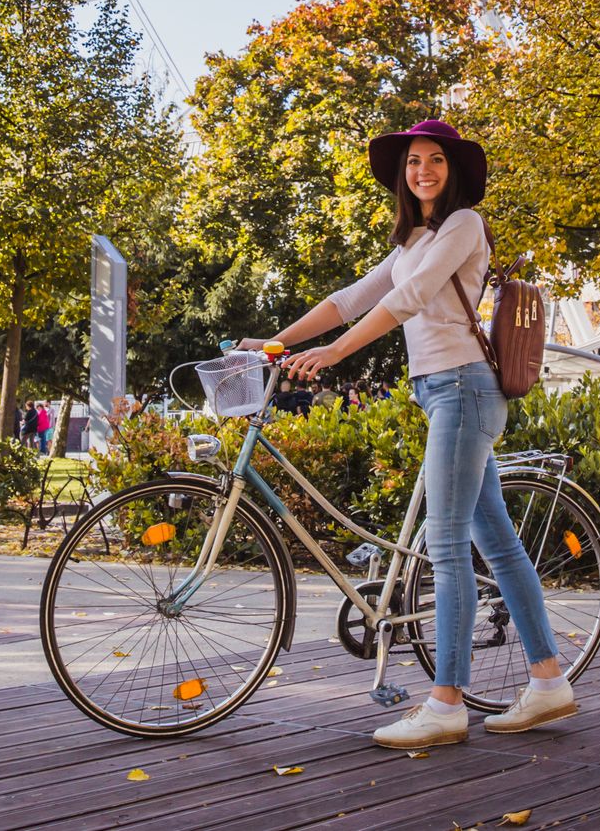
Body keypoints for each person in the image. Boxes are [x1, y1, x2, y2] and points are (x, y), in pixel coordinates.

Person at [246, 118, 569, 751]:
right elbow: (350, 298)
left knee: (446, 549)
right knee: (498, 548)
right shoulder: (413, 240)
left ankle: (446, 703)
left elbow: (413, 298)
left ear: (454, 172)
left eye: (435, 161)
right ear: (404, 174)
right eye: (414, 162)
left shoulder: (463, 226)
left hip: (463, 389)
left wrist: (335, 354)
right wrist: (282, 341)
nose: (423, 170)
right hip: (443, 394)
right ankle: (549, 682)